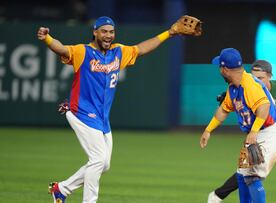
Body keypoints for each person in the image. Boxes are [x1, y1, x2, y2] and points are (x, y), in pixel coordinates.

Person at [37, 16, 182, 203]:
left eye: (111, 32)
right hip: (81, 111)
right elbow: (62, 48)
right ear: (95, 32)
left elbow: (142, 48)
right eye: (104, 31)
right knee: (97, 159)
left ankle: (61, 189)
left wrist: (169, 33)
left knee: (103, 164)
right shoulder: (83, 52)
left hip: (102, 117)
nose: (108, 35)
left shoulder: (118, 52)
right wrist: (48, 39)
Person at [207, 60, 276, 203]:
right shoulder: (246, 87)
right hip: (256, 136)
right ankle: (217, 195)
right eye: (254, 76)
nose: (257, 79)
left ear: (270, 76)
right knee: (245, 171)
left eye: (261, 77)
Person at [200, 48, 276, 203]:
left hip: (269, 132)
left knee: (252, 175)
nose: (219, 70)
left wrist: (253, 131)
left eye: (219, 66)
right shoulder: (233, 88)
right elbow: (223, 111)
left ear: (225, 69)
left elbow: (264, 107)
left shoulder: (249, 85)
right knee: (242, 174)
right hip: (257, 133)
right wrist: (208, 130)